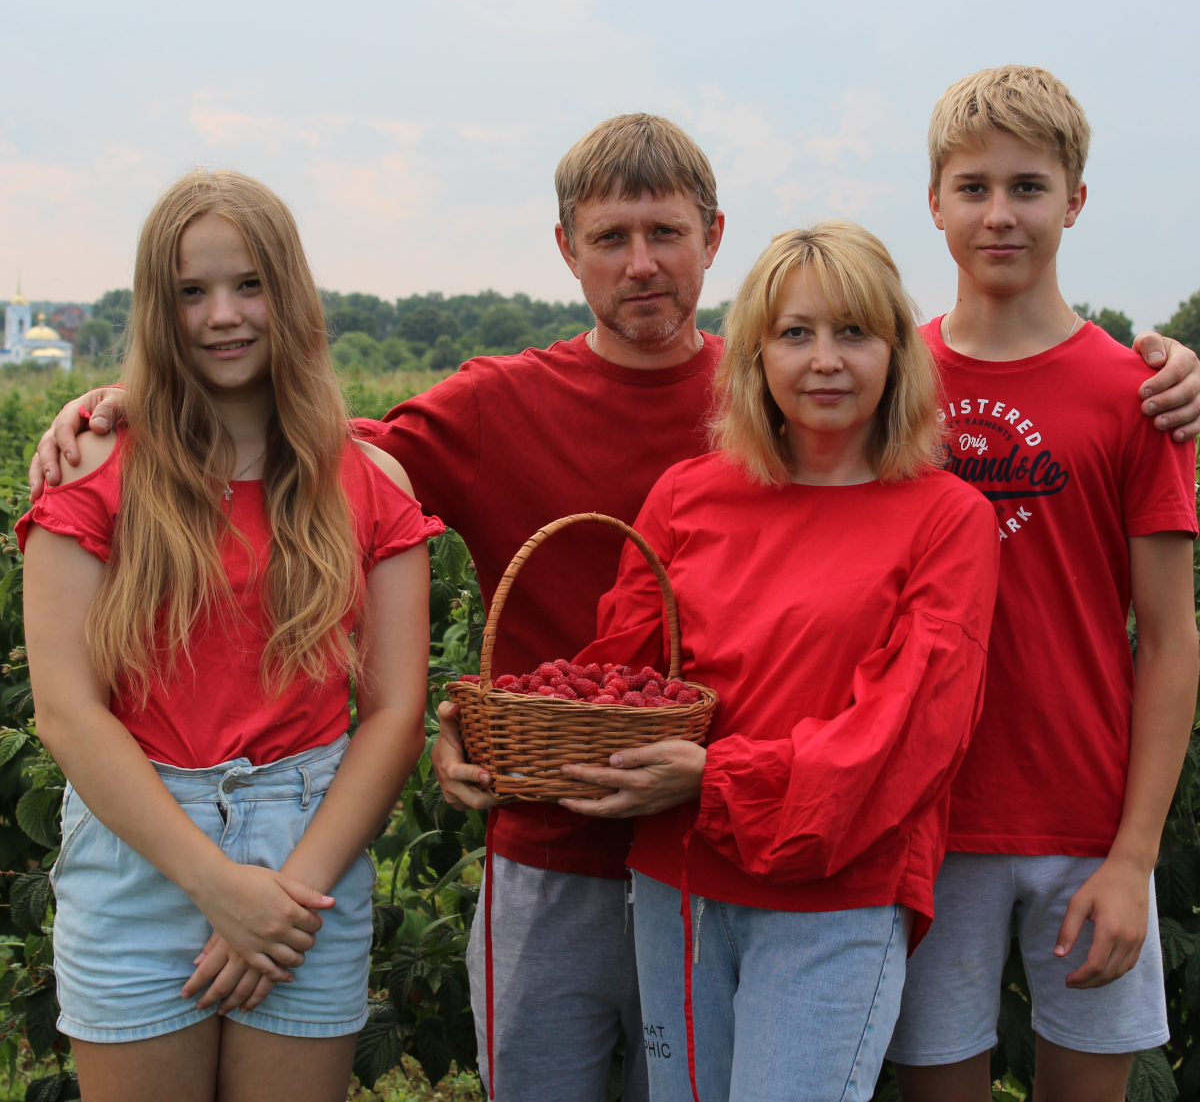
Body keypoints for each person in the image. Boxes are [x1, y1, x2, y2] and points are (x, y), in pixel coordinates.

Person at [26, 114, 1200, 1102]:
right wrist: (130, 402)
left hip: (768, 848)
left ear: (712, 240)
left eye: (666, 234)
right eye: (611, 238)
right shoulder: (518, 411)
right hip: (563, 840)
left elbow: (977, 384)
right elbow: (308, 457)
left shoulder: (829, 416)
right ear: (567, 250)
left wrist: (1163, 370)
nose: (642, 264)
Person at [555, 221, 999, 1102]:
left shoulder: (948, 519)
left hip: (838, 896)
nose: (825, 360)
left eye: (854, 332)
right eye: (796, 333)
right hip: (679, 883)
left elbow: (908, 729)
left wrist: (715, 779)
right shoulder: (687, 495)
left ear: (897, 353)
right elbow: (621, 682)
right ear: (756, 356)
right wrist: (495, 728)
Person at [20, 170, 436, 1102]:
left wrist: (284, 898)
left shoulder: (371, 484)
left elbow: (394, 714)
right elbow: (68, 711)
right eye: (190, 292)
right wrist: (216, 885)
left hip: (309, 851)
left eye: (249, 285)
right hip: (140, 851)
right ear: (155, 307)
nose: (222, 316)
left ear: (290, 293)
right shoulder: (93, 469)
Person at [886, 66, 1200, 1102]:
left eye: (1028, 186)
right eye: (973, 187)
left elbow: (1170, 637)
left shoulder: (1137, 395)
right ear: (934, 202)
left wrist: (1135, 857)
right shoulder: (889, 384)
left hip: (1088, 825)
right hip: (925, 820)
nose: (999, 214)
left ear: (1075, 200)